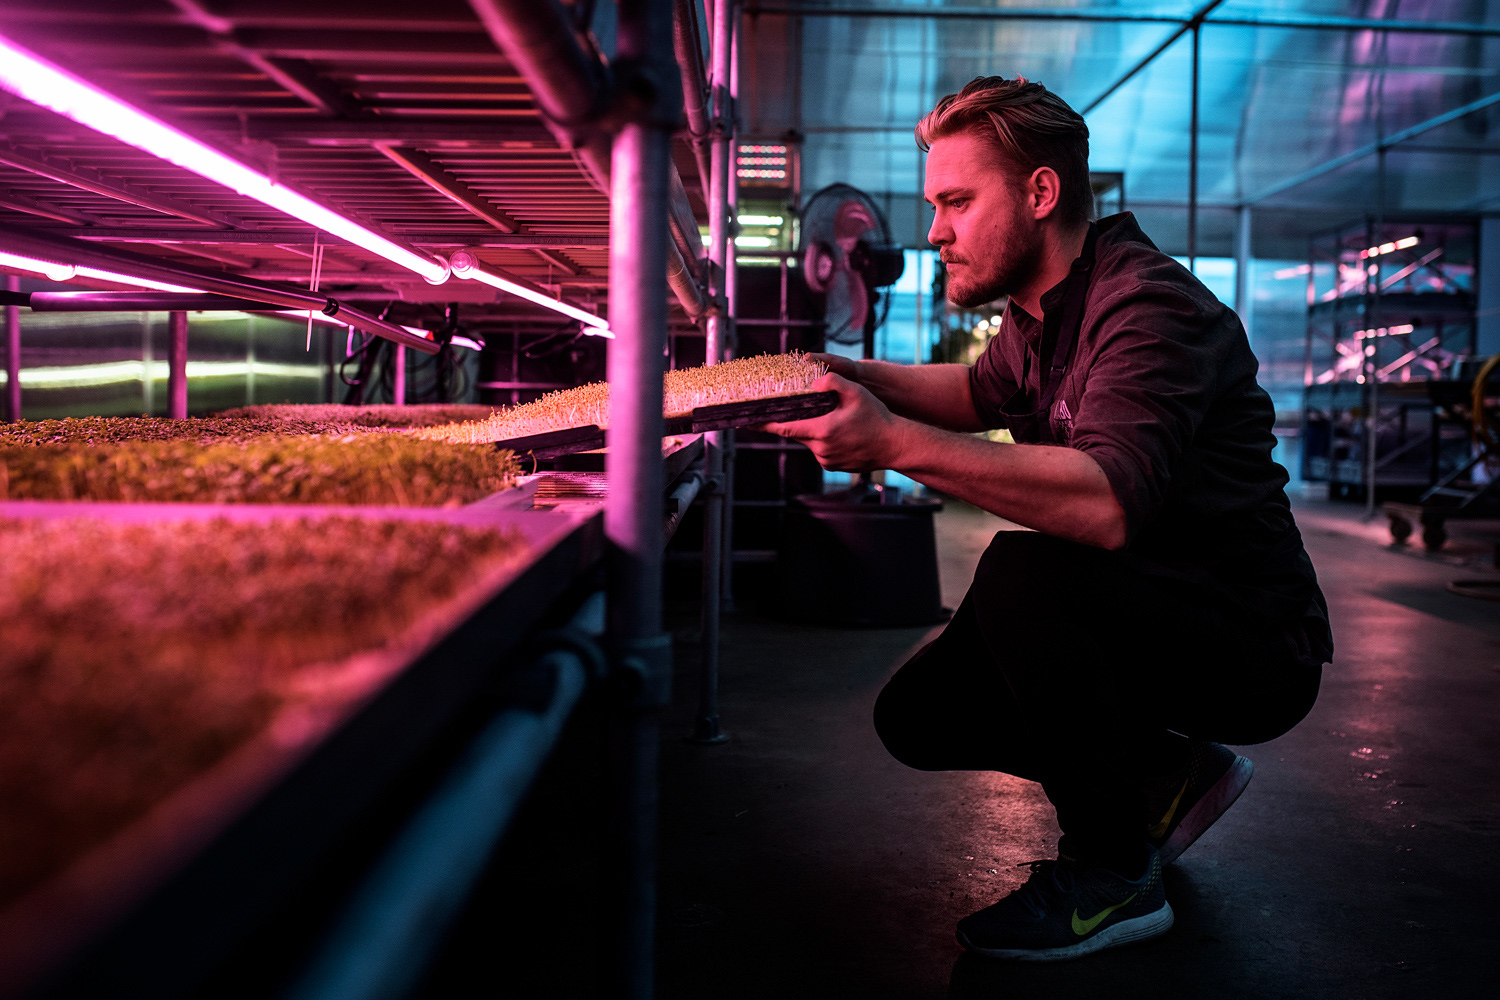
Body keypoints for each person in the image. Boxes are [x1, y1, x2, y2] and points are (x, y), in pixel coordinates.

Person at [761, 76, 1332, 961]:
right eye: (934, 204)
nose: (937, 231)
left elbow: (1102, 505)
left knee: (1024, 571)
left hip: (1251, 641)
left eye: (956, 202)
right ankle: (1165, 775)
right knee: (919, 717)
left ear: (1040, 192)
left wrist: (892, 445)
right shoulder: (1040, 312)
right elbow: (974, 392)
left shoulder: (1145, 306)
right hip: (1153, 605)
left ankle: (1113, 873)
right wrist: (837, 372)